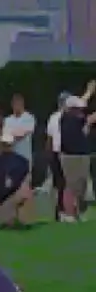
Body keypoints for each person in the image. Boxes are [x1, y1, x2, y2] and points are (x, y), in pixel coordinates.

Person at [58, 94, 95, 222]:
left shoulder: (76, 118)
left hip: (82, 154)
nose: (80, 111)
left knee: (82, 185)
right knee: (71, 185)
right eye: (77, 109)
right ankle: (69, 214)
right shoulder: (68, 119)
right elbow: (90, 119)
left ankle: (79, 212)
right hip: (70, 156)